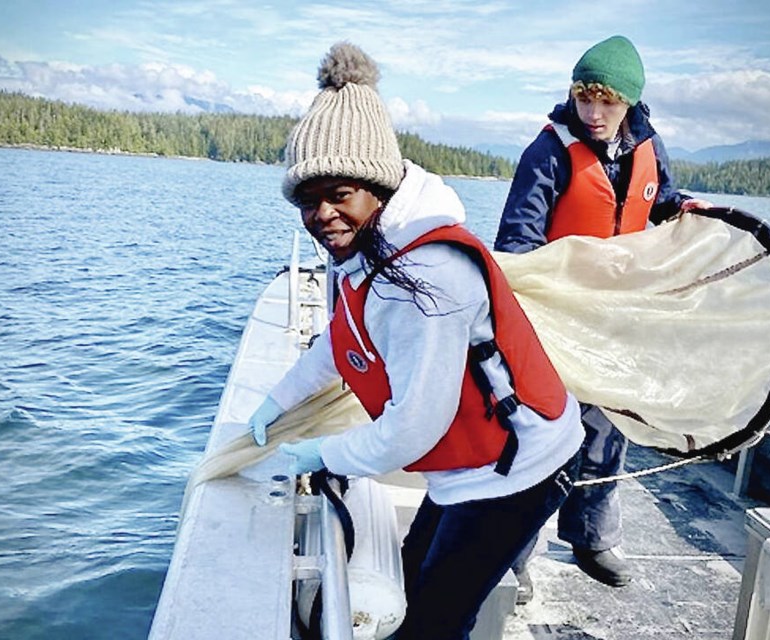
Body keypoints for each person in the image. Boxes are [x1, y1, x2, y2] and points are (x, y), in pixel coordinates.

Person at [248, 41, 585, 639]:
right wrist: (277, 402)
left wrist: (324, 454)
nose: (322, 214)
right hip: (474, 464)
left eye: (339, 193)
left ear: (376, 186)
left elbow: (412, 428)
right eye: (307, 198)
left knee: (436, 619)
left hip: (520, 469)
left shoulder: (425, 280)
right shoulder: (370, 249)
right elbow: (341, 340)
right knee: (410, 574)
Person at [494, 35, 712, 594]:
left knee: (607, 429)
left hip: (616, 317)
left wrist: (681, 206)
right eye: (584, 98)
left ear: (629, 104)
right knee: (543, 435)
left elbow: (656, 198)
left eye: (606, 103)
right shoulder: (547, 151)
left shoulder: (648, 145)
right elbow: (516, 239)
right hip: (557, 319)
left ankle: (591, 536)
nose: (592, 113)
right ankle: (513, 553)